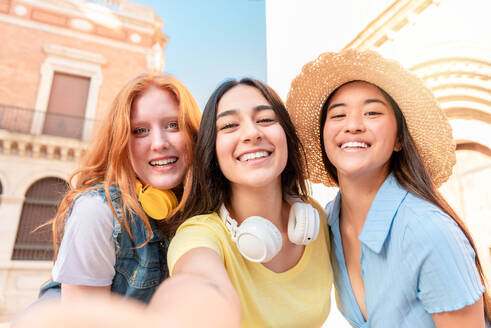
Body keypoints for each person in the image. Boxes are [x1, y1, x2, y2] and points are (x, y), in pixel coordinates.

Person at [286, 49, 490, 327]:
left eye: (372, 112)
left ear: (398, 140)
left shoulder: (427, 230)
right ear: (324, 138)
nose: (353, 125)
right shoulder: (328, 222)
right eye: (338, 115)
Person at [38, 73, 201, 303]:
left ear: (194, 134)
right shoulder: (97, 211)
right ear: (122, 142)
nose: (159, 143)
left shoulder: (203, 213)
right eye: (140, 130)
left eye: (173, 125)